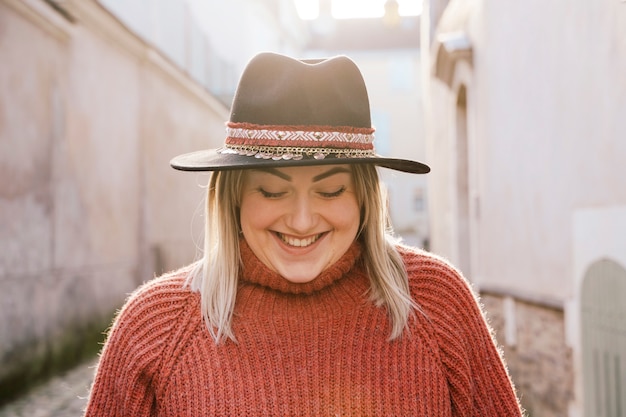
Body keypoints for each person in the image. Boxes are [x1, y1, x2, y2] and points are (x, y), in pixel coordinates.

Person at [84, 52, 523, 416]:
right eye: (273, 191)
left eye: (330, 190)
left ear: (364, 198)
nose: (300, 220)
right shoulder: (155, 328)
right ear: (234, 197)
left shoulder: (435, 303)